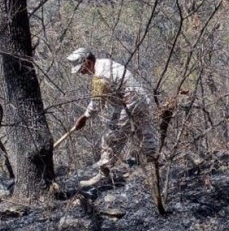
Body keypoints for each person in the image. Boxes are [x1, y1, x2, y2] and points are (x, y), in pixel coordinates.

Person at [66, 48, 159, 187]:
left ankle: (104, 173)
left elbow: (97, 103)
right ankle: (155, 169)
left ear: (89, 62)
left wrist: (84, 117)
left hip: (128, 103)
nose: (82, 73)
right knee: (145, 134)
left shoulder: (100, 77)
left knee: (110, 138)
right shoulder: (106, 62)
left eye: (82, 69)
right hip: (142, 99)